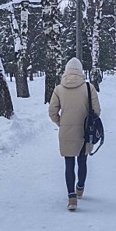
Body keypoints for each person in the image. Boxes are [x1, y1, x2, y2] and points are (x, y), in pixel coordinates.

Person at [48, 57, 101, 211]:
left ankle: (71, 198)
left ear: (66, 70)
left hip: (66, 131)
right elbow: (97, 111)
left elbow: (52, 112)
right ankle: (80, 188)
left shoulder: (58, 89)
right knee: (82, 160)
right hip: (85, 131)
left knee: (69, 163)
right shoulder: (88, 87)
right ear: (80, 70)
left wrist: (61, 123)